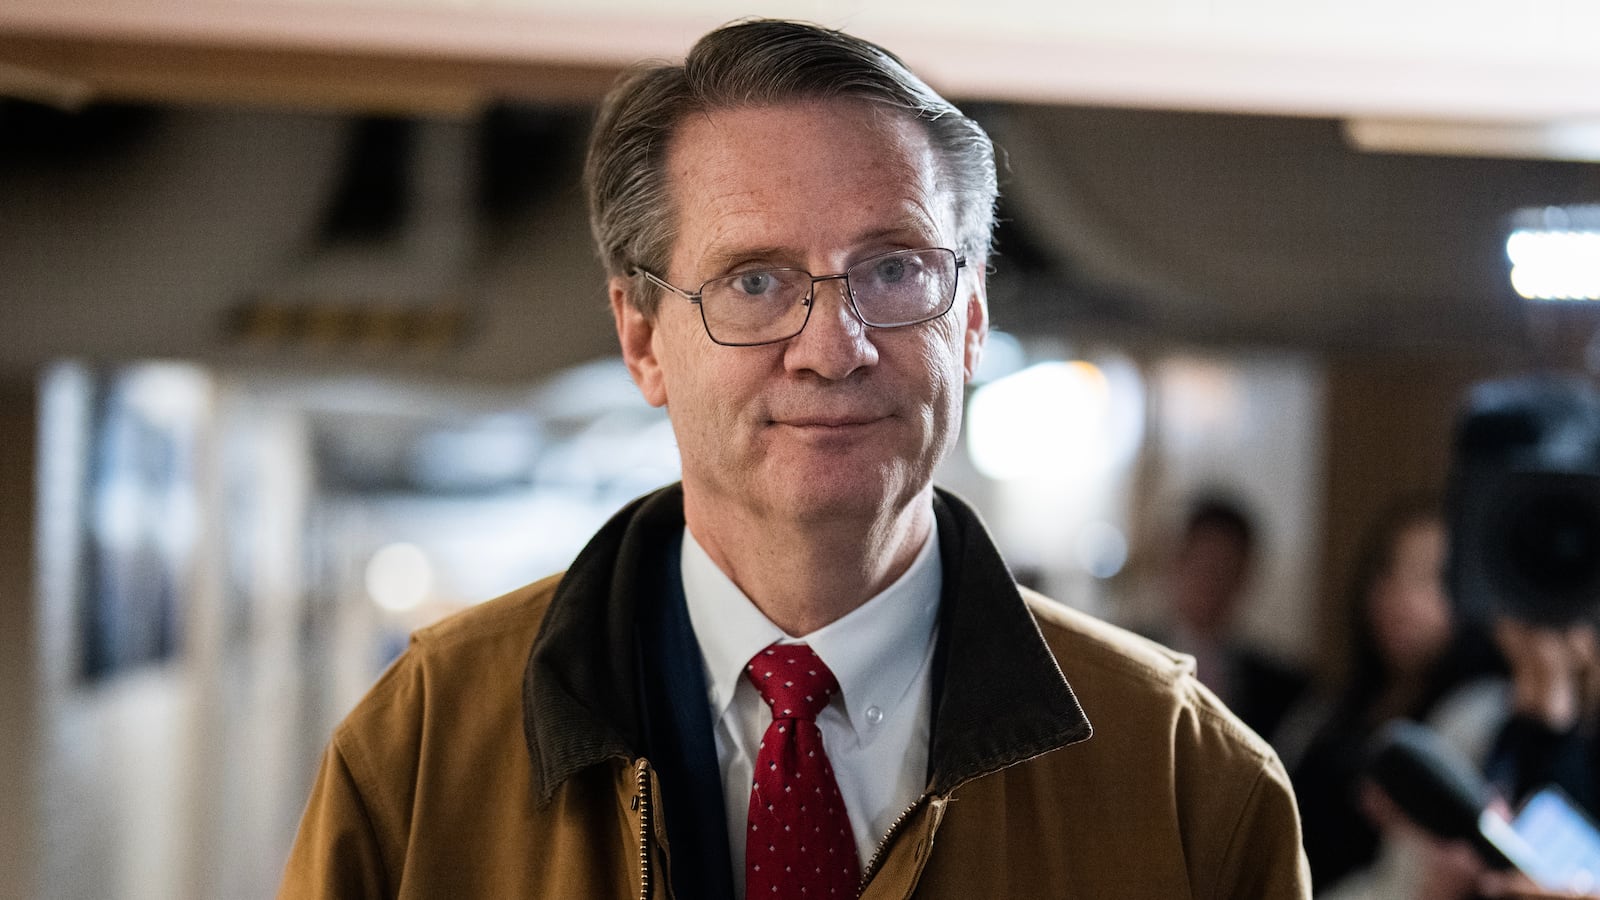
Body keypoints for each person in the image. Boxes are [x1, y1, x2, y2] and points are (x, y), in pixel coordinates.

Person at [277, 19, 1310, 899]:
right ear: (642, 338)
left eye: (895, 268)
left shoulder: (1184, 782)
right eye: (755, 282)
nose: (833, 347)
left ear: (974, 321)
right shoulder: (421, 751)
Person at [1287, 496, 1502, 893]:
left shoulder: (1479, 714)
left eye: (1428, 579)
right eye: (1389, 572)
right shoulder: (1332, 706)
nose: (1401, 596)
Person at [1150, 495, 1310, 742]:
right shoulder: (1123, 658)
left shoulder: (1282, 687)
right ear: (1177, 563)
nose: (1211, 583)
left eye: (1226, 569)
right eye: (1204, 564)